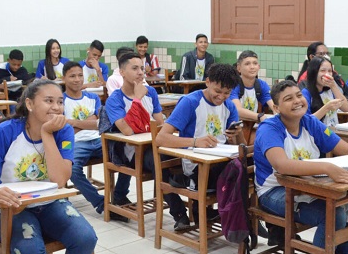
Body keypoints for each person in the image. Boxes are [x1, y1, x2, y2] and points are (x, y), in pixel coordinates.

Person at [255, 80, 348, 253]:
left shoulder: (310, 122)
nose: (297, 101)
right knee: (334, 214)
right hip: (275, 192)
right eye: (288, 98)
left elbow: (345, 149)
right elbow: (282, 166)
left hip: (309, 186)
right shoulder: (270, 128)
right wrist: (326, 168)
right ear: (277, 108)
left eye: (299, 95)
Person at [0, 80, 97, 254]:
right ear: (29, 104)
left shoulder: (64, 131)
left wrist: (47, 133)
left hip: (51, 203)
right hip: (11, 208)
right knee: (30, 249)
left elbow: (59, 180)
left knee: (86, 238)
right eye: (49, 101)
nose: (56, 107)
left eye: (60, 102)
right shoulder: (6, 131)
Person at [155, 63, 244, 230]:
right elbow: (161, 138)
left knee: (245, 167)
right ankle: (238, 218)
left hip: (220, 160)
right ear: (208, 82)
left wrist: (236, 134)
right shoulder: (190, 102)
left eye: (227, 93)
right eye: (218, 91)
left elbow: (240, 146)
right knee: (238, 174)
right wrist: (195, 141)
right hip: (196, 165)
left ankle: (238, 217)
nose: (221, 97)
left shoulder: (229, 105)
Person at [101, 52, 165, 216]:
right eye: (134, 68)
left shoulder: (150, 93)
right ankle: (180, 213)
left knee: (175, 161)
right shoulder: (115, 99)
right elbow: (127, 130)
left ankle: (184, 206)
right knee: (162, 165)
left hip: (151, 146)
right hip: (128, 151)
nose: (140, 73)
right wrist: (137, 99)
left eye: (142, 68)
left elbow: (160, 123)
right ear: (122, 72)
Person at [61, 61, 125, 221]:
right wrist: (90, 121)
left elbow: (100, 124)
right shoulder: (60, 100)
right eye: (72, 76)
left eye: (80, 75)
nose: (77, 79)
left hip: (98, 139)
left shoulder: (93, 97)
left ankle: (118, 197)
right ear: (64, 79)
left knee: (127, 156)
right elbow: (64, 130)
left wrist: (73, 122)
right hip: (73, 143)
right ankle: (102, 204)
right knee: (72, 171)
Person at [301, 57, 348, 128]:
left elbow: (345, 108)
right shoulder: (306, 93)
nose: (327, 74)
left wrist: (333, 86)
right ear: (314, 72)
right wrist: (327, 107)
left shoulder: (330, 90)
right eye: (323, 71)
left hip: (334, 132)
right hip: (319, 135)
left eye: (330, 71)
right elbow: (306, 121)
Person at [229, 50, 275, 123]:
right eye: (247, 64)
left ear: (258, 67)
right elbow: (237, 110)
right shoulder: (233, 85)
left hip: (251, 126)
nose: (252, 67)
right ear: (239, 68)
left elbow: (274, 107)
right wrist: (259, 116)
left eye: (255, 63)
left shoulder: (262, 85)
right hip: (234, 127)